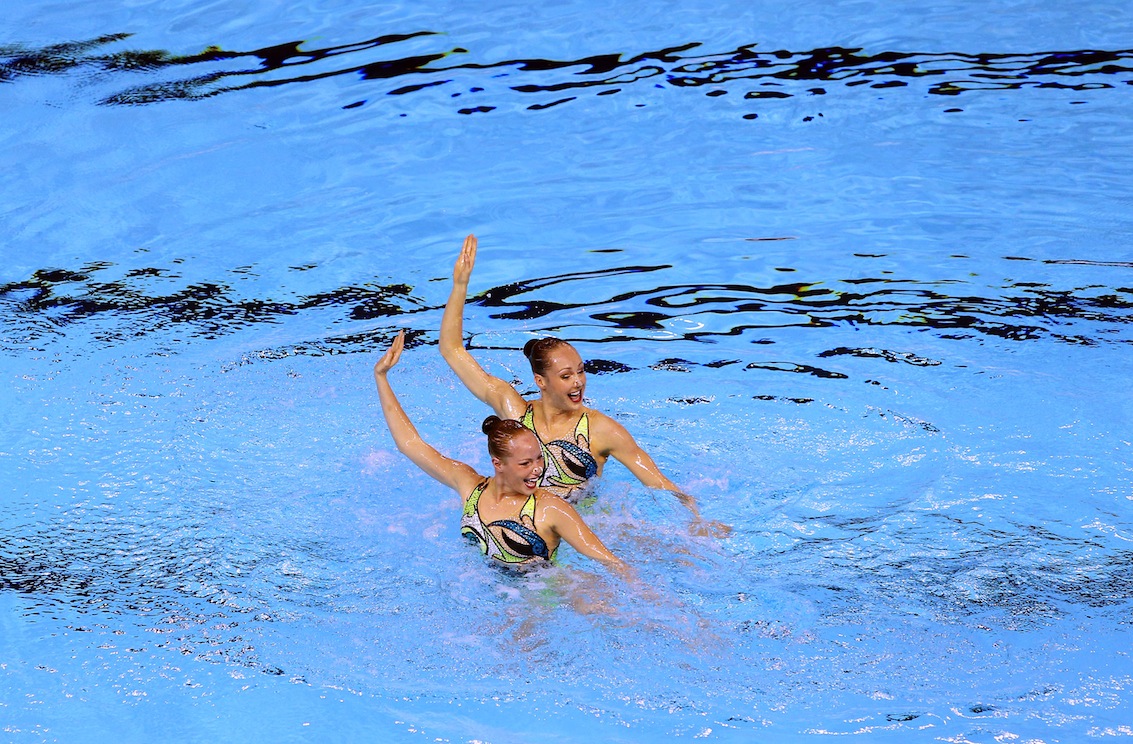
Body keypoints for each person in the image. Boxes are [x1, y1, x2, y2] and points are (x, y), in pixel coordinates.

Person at [440, 234, 729, 537]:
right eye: (566, 376)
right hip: (525, 526)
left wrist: (696, 519)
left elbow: (657, 481)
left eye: (580, 371)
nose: (578, 382)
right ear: (541, 382)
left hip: (587, 527)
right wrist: (460, 286)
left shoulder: (601, 429)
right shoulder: (513, 411)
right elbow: (452, 351)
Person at [373, 330, 630, 575]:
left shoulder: (550, 508)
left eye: (540, 459)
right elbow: (410, 444)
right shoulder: (469, 486)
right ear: (498, 464)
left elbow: (609, 560)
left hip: (544, 592)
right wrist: (381, 377)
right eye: (525, 463)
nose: (538, 469)